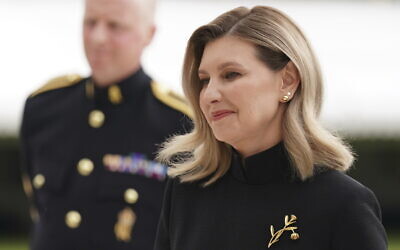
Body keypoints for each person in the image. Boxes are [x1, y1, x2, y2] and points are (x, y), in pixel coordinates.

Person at [153, 6, 388, 250]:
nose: (210, 94)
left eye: (231, 74)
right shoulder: (185, 192)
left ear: (287, 80)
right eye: (204, 80)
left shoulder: (342, 204)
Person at [19, 0, 191, 249]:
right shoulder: (43, 108)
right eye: (90, 22)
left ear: (149, 34)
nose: (98, 37)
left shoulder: (178, 124)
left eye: (115, 26)